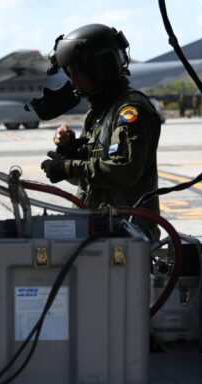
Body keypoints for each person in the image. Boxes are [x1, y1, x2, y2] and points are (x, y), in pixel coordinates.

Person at [39, 24, 162, 238]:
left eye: (79, 71)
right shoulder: (98, 114)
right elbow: (90, 178)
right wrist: (69, 150)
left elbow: (123, 172)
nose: (74, 80)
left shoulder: (130, 112)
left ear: (100, 69)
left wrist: (68, 167)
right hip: (100, 230)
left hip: (128, 234)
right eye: (70, 72)